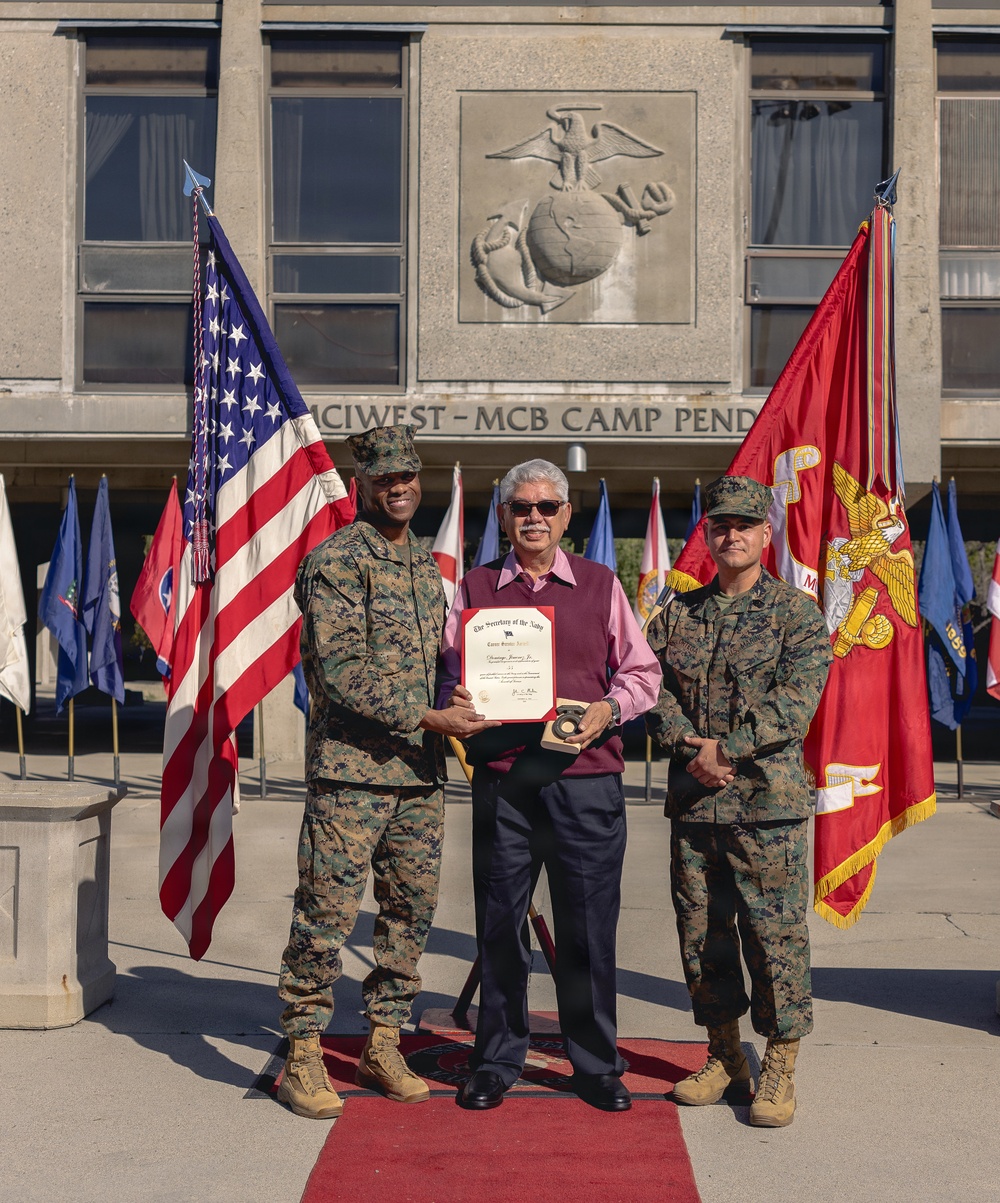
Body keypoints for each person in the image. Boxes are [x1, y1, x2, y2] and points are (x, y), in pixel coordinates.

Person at [276, 425, 497, 1120]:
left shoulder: (424, 566)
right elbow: (342, 672)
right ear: (360, 485)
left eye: (407, 476)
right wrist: (432, 717)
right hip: (352, 776)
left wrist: (463, 698)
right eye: (384, 479)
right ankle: (302, 1052)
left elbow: (436, 664)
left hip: (418, 778)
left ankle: (382, 1042)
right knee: (326, 914)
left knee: (408, 914)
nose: (398, 488)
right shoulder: (337, 561)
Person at [441, 458, 661, 1113]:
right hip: (505, 782)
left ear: (566, 515)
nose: (533, 517)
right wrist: (455, 699)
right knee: (499, 926)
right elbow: (449, 670)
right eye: (521, 507)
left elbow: (643, 674)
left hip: (584, 782)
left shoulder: (601, 584)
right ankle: (496, 1059)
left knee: (587, 930)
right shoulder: (475, 587)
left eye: (546, 507)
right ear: (504, 516)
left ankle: (594, 1063)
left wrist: (609, 709)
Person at [645, 474, 832, 1128]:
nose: (732, 535)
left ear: (765, 533)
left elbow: (796, 703)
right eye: (721, 525)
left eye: (744, 525)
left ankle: (779, 1064)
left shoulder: (795, 615)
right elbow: (649, 686)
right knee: (702, 936)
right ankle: (725, 1056)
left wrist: (727, 750)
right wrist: (685, 742)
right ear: (709, 533)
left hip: (765, 807)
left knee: (774, 937)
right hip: (697, 806)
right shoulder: (678, 614)